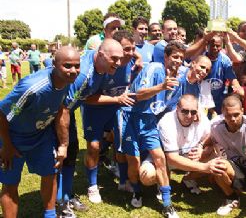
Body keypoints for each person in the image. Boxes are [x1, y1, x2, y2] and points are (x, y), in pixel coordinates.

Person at [0, 46, 80, 218]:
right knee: (10, 183)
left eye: (76, 65)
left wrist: (64, 145)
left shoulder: (67, 82)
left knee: (50, 174)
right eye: (67, 65)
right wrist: (6, 145)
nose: (73, 71)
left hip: (41, 136)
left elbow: (60, 111)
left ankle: (50, 215)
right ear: (54, 65)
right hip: (13, 137)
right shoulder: (32, 87)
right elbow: (2, 114)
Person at [55, 39, 124, 217]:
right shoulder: (84, 74)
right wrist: (63, 141)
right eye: (114, 58)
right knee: (59, 157)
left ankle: (67, 196)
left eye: (120, 58)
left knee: (71, 154)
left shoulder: (102, 69)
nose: (118, 63)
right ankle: (59, 203)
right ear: (100, 54)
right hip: (54, 115)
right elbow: (63, 107)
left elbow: (85, 99)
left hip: (68, 113)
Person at [121, 41, 187, 217]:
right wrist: (161, 86)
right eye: (175, 56)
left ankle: (167, 203)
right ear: (166, 57)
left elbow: (167, 105)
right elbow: (139, 95)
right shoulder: (155, 68)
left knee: (160, 159)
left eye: (181, 58)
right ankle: (137, 191)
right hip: (132, 119)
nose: (178, 60)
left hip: (149, 122)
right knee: (133, 162)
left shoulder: (176, 79)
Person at [81, 30, 138, 202]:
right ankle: (92, 185)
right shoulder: (104, 64)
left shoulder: (130, 61)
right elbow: (88, 97)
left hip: (117, 108)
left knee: (119, 143)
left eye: (133, 49)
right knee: (94, 146)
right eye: (126, 49)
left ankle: (122, 180)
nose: (129, 53)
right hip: (95, 109)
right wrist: (116, 98)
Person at [157, 94, 226, 195]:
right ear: (177, 109)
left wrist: (202, 148)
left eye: (193, 112)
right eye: (184, 111)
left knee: (218, 159)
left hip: (189, 156)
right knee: (148, 175)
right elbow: (172, 158)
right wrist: (205, 167)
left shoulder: (201, 117)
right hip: (167, 160)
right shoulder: (167, 122)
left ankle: (188, 179)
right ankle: (162, 183)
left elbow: (212, 137)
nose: (189, 116)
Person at [205, 35, 242, 115]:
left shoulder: (225, 61)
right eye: (212, 45)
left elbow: (233, 80)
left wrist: (238, 89)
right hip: (203, 101)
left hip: (218, 103)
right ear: (207, 45)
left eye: (217, 46)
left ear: (221, 47)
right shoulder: (202, 58)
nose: (215, 48)